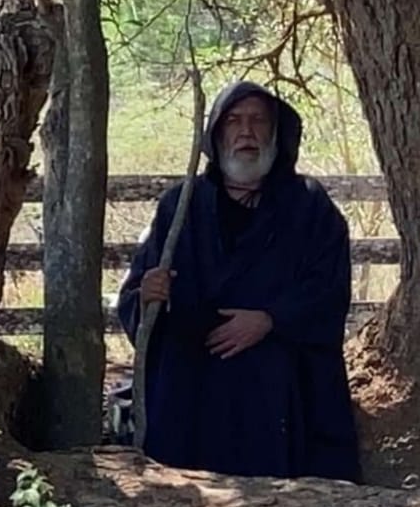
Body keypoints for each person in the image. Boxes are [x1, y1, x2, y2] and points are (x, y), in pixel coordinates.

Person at [117, 81, 360, 481]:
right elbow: (137, 294)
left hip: (275, 373)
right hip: (194, 373)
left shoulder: (309, 205)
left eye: (258, 121)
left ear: (276, 133)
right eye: (234, 121)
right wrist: (148, 296)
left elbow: (329, 289)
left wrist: (271, 320)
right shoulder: (181, 205)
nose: (246, 132)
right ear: (216, 134)